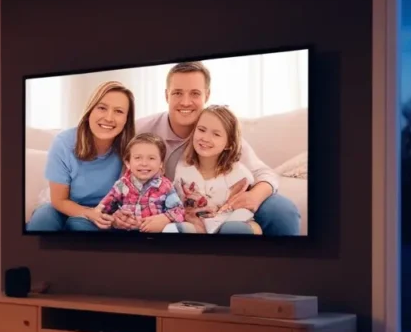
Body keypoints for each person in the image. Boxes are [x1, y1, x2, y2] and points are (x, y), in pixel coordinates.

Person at [117, 61, 301, 235]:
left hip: (225, 207)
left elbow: (265, 173)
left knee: (281, 211)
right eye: (177, 93)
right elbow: (123, 178)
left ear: (207, 95)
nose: (186, 102)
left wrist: (254, 196)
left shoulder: (219, 130)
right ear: (167, 95)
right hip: (171, 206)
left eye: (195, 93)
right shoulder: (141, 129)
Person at [25, 80, 136, 231]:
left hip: (105, 214)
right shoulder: (64, 142)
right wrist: (88, 213)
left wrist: (116, 217)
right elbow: (59, 200)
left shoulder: (132, 149)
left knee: (80, 227)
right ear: (90, 110)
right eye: (102, 108)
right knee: (43, 218)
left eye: (119, 111)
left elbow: (131, 199)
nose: (109, 118)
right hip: (61, 207)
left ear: (126, 119)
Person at [167, 105, 261, 234]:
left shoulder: (239, 175)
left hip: (229, 224)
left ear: (229, 144)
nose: (205, 138)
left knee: (235, 229)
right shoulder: (183, 170)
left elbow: (245, 210)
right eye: (201, 130)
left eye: (216, 134)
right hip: (195, 226)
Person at [95, 133, 185, 233]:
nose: (144, 163)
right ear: (128, 163)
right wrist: (114, 219)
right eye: (138, 158)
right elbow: (102, 210)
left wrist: (165, 218)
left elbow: (179, 210)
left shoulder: (165, 186)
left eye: (151, 158)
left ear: (161, 164)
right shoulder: (121, 185)